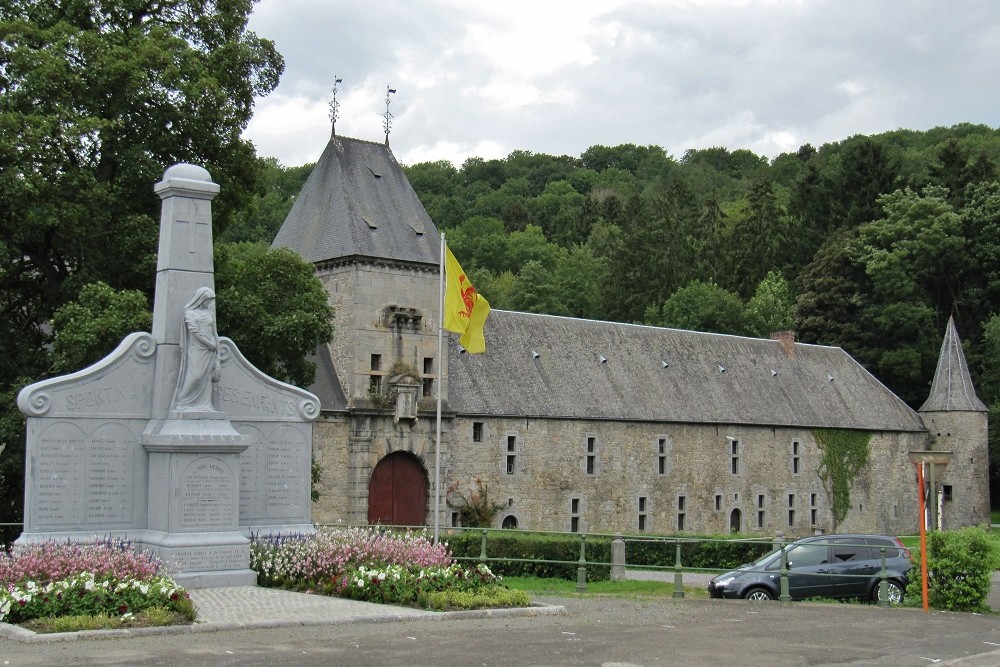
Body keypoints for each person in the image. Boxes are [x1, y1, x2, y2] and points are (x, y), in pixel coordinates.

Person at [171, 286, 221, 412]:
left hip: (211, 350)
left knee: (207, 377)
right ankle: (182, 402)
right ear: (201, 298)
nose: (209, 302)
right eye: (208, 299)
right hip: (197, 349)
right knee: (196, 376)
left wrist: (217, 351)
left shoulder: (209, 313)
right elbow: (194, 331)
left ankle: (206, 405)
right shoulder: (189, 313)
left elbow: (215, 333)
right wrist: (208, 343)